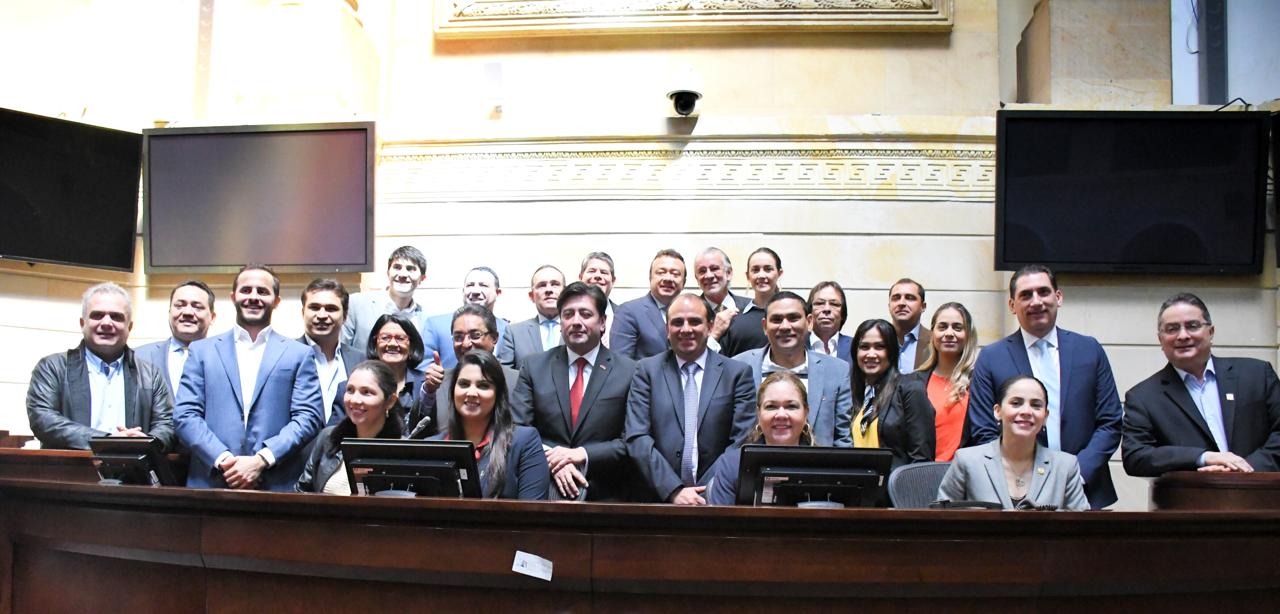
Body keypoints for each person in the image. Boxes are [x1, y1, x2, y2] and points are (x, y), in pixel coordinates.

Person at [966, 264, 1122, 509]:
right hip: (1015, 496)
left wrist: (1074, 475)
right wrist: (1019, 478)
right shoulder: (991, 358)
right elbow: (983, 430)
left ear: (1058, 297)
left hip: (1085, 489)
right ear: (1012, 305)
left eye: (1043, 292)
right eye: (1026, 295)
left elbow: (1110, 421)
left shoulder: (1089, 350)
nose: (1036, 301)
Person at [174, 264, 324, 491]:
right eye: (246, 290)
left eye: (262, 291)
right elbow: (185, 415)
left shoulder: (299, 354)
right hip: (212, 483)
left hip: (276, 484)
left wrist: (262, 459)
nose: (253, 297)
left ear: (277, 301)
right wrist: (225, 461)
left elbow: (309, 417)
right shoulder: (201, 351)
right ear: (233, 297)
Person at [1123, 293, 1280, 476]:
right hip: (1192, 492)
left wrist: (1242, 469)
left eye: (1192, 326)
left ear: (1211, 332)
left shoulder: (1256, 374)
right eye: (1172, 329)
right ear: (1161, 340)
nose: (1183, 335)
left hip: (1261, 489)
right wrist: (1203, 457)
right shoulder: (1143, 397)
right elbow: (1136, 456)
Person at [625, 293, 757, 505]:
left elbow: (742, 440)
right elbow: (637, 437)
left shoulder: (736, 373)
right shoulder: (646, 371)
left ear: (710, 326)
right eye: (677, 322)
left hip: (717, 498)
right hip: (657, 500)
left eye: (695, 321)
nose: (686, 329)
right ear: (667, 330)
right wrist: (673, 490)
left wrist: (706, 490)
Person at [511, 282, 638, 501]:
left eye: (586, 314)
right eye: (568, 314)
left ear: (602, 322)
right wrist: (554, 460)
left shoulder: (630, 371)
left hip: (607, 492)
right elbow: (518, 428)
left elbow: (633, 439)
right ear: (561, 322)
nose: (576, 322)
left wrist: (581, 454)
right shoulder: (534, 367)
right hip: (544, 488)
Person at [26, 282, 175, 451]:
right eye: (97, 315)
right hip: (71, 466)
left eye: (116, 317)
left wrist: (147, 442)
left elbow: (167, 424)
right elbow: (42, 419)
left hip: (134, 466)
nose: (106, 323)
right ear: (82, 323)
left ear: (129, 327)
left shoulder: (151, 374)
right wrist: (107, 441)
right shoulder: (52, 368)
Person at [938, 374, 1089, 511]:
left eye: (1036, 405)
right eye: (1016, 403)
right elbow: (941, 519)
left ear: (1045, 416)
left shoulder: (1066, 466)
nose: (1026, 411)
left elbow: (1083, 526)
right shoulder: (967, 461)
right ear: (997, 411)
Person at [732, 291, 852, 447]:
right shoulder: (739, 366)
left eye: (793, 318)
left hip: (820, 462)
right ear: (765, 326)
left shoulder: (837, 371)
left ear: (809, 322)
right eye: (776, 319)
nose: (785, 326)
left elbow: (842, 440)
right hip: (751, 461)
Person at [430, 350, 550, 500]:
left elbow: (533, 511)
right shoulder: (432, 446)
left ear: (498, 395)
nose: (471, 393)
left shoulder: (524, 443)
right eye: (464, 384)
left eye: (483, 386)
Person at [405, 305, 519, 438]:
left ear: (494, 338)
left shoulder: (517, 381)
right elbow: (417, 434)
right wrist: (428, 392)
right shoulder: (439, 382)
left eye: (475, 335)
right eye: (458, 337)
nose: (466, 344)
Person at [705, 372, 815, 505]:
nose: (781, 415)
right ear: (758, 413)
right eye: (771, 407)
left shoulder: (826, 464)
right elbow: (720, 518)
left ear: (806, 412)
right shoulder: (731, 465)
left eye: (791, 406)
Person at [295, 360, 403, 494]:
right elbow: (302, 492)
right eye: (350, 390)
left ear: (390, 401)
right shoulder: (328, 438)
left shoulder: (402, 451)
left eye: (366, 392)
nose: (354, 400)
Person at [848, 318, 935, 469]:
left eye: (880, 347)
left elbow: (921, 459)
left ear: (892, 351)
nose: (871, 354)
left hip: (897, 483)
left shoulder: (911, 390)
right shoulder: (855, 392)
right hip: (861, 481)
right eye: (864, 347)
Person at [901, 302, 979, 461]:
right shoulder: (912, 382)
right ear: (932, 334)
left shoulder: (979, 382)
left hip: (963, 473)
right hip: (921, 472)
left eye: (957, 328)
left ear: (968, 335)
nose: (949, 333)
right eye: (942, 327)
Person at [298, 278, 366, 427]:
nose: (322, 315)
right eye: (314, 308)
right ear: (303, 312)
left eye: (331, 309)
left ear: (345, 316)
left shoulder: (361, 360)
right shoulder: (285, 356)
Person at [135, 280, 216, 396]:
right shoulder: (138, 358)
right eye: (179, 306)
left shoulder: (225, 360)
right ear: (169, 312)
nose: (187, 312)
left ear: (212, 317)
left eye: (197, 307)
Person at [341, 245, 428, 350]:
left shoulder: (426, 319)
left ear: (422, 278)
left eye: (410, 269)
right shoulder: (356, 304)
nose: (403, 274)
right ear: (388, 273)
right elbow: (342, 349)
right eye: (397, 267)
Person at [422, 266, 510, 369]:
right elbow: (424, 368)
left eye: (483, 285)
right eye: (470, 285)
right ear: (463, 291)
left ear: (498, 292)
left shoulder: (508, 330)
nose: (475, 291)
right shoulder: (436, 325)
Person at [611, 249, 687, 360]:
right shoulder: (628, 312)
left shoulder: (690, 313)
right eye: (661, 272)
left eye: (675, 274)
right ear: (650, 278)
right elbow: (621, 363)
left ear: (684, 282)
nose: (668, 278)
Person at [364, 313, 427, 434]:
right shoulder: (353, 386)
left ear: (411, 345)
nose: (392, 344)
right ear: (375, 343)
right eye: (385, 338)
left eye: (400, 338)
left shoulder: (428, 385)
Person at [717, 247, 783, 358]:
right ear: (748, 276)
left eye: (768, 269)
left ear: (779, 273)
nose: (761, 275)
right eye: (755, 270)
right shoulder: (733, 319)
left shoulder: (793, 317)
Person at [497, 264, 565, 371]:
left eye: (555, 284)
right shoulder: (514, 333)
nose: (549, 290)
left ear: (565, 293)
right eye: (542, 285)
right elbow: (504, 373)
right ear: (531, 296)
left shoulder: (579, 328)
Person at [693, 247, 750, 353]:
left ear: (728, 273)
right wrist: (714, 334)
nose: (709, 275)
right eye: (702, 271)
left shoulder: (750, 308)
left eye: (714, 268)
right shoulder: (689, 313)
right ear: (697, 279)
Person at [888, 278, 930, 373]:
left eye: (910, 298)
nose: (901, 303)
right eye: (896, 298)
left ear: (923, 307)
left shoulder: (935, 342)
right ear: (889, 306)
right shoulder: (877, 341)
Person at [579, 252, 619, 347]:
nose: (598, 276)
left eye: (604, 272)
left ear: (613, 281)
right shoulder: (568, 314)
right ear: (580, 277)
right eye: (592, 271)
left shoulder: (624, 315)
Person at [807, 281, 852, 363]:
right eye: (819, 303)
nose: (827, 309)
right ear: (810, 313)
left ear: (842, 314)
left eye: (834, 304)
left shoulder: (855, 347)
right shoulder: (796, 345)